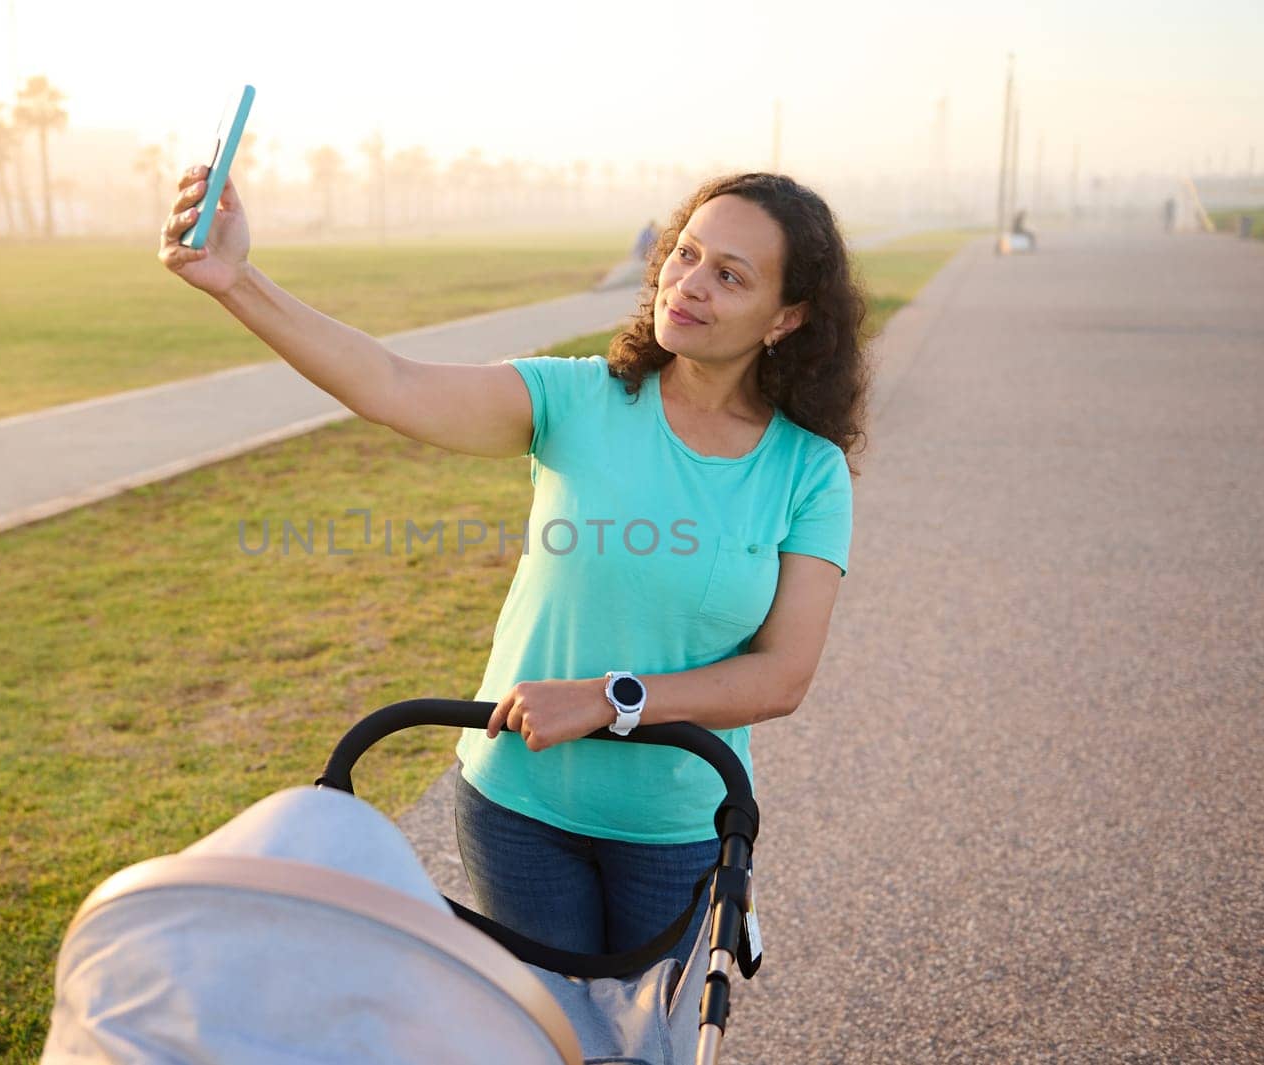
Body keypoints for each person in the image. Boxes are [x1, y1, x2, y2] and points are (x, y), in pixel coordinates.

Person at [158, 166, 867, 975]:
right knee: (543, 1035)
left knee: (649, 1047)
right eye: (687, 253)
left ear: (788, 317)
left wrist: (606, 700)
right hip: (518, 812)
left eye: (730, 275)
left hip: (676, 828)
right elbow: (392, 384)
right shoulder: (577, 400)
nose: (690, 284)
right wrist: (237, 283)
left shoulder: (808, 472)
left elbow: (782, 675)